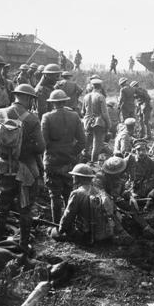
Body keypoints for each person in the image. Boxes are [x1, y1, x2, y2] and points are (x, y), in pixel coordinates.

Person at [0, 84, 45, 253]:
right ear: (30, 99)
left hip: (3, 168)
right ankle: (23, 247)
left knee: (0, 210)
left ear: (15, 96)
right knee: (25, 211)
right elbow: (41, 147)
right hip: (26, 171)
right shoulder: (32, 119)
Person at [42, 89, 86, 224]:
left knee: (54, 195)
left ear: (53, 103)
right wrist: (72, 153)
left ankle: (56, 225)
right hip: (69, 161)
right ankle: (69, 224)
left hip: (52, 162)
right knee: (69, 193)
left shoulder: (47, 117)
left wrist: (52, 152)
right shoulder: (75, 116)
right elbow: (82, 141)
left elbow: (44, 142)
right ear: (65, 101)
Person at [93, 157, 154, 238]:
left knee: (132, 207)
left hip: (116, 200)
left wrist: (130, 196)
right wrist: (112, 202)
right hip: (104, 203)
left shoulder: (120, 176)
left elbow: (123, 190)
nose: (119, 174)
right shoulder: (100, 177)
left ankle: (147, 228)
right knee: (112, 212)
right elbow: (100, 194)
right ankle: (123, 233)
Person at [55, 163, 116, 243]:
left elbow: (68, 215)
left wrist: (61, 229)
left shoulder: (77, 193)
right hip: (105, 234)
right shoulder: (100, 191)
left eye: (74, 176)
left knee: (52, 231)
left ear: (78, 178)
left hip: (87, 236)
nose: (72, 177)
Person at [125, 139, 154, 209]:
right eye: (138, 150)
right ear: (135, 150)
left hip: (148, 190)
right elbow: (119, 171)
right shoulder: (129, 159)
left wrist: (153, 191)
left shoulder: (151, 162)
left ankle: (146, 201)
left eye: (143, 150)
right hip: (133, 189)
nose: (141, 152)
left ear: (147, 150)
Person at [82, 78, 111, 162]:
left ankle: (84, 160)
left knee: (87, 143)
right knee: (97, 145)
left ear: (92, 86)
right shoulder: (101, 97)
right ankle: (93, 162)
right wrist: (108, 124)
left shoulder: (86, 96)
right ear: (100, 87)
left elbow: (83, 111)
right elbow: (105, 113)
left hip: (87, 122)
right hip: (98, 123)